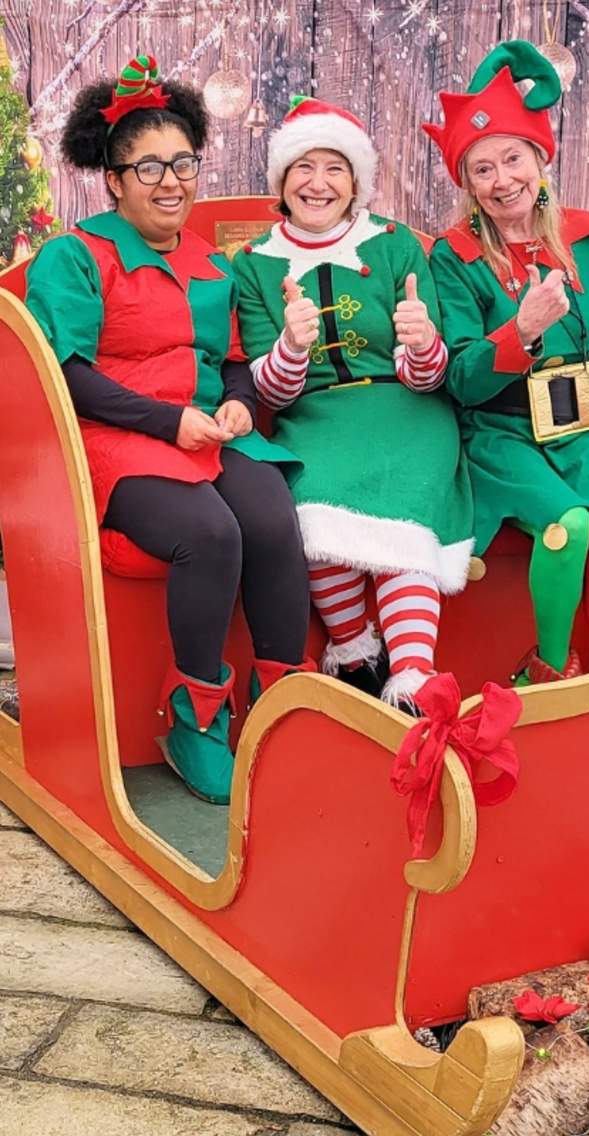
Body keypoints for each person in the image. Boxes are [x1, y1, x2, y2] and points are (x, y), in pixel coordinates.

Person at [26, 55, 312, 803]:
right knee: (210, 533)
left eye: (183, 163)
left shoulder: (212, 263)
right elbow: (69, 375)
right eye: (147, 167)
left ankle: (282, 713)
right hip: (116, 437)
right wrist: (166, 421)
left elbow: (235, 362)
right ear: (113, 180)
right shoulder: (75, 256)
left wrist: (240, 402)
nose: (170, 182)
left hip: (207, 431)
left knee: (273, 518)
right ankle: (196, 716)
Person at [234, 96, 473, 712]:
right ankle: (357, 654)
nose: (318, 183)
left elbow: (429, 376)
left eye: (334, 168)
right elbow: (270, 393)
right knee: (311, 508)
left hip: (406, 414)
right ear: (282, 180)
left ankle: (412, 678)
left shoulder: (393, 246)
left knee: (402, 516)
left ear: (356, 182)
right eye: (304, 167)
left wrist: (421, 343)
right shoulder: (253, 264)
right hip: (314, 419)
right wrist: (291, 346)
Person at [424, 40, 589, 684]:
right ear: (468, 185)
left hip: (582, 429)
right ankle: (547, 674)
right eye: (482, 169)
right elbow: (460, 379)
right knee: (567, 529)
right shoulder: (454, 257)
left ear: (539, 159)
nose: (502, 180)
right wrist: (521, 332)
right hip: (501, 432)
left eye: (512, 159)